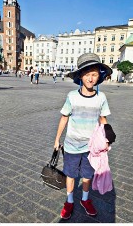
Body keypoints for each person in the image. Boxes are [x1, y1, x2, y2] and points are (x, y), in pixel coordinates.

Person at [53, 53, 113, 220]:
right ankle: (70, 200)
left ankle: (85, 200)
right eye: (87, 74)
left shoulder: (101, 97)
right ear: (80, 75)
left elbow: (103, 119)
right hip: (72, 144)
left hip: (91, 147)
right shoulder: (72, 96)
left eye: (94, 74)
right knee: (71, 175)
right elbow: (64, 117)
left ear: (99, 76)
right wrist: (57, 139)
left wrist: (107, 137)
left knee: (87, 175)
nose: (90, 78)